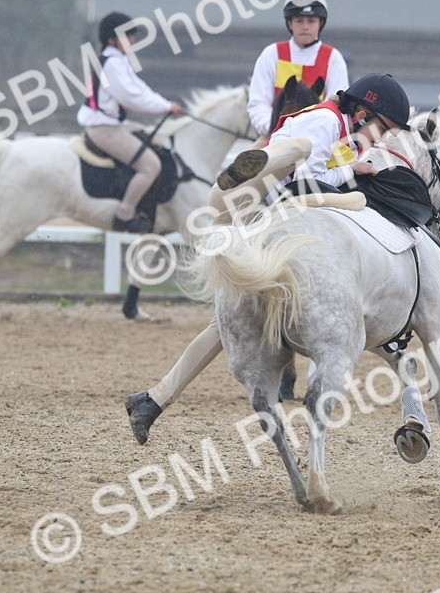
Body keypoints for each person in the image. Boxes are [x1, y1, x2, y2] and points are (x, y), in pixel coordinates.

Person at [125, 74, 412, 444]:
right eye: (382, 128)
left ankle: (152, 400)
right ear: (361, 113)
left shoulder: (338, 124)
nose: (381, 139)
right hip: (267, 215)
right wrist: (350, 173)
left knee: (222, 324)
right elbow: (306, 183)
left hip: (270, 212)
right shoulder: (325, 122)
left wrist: (350, 172)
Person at [79, 11, 183, 233]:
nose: (132, 40)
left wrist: (165, 103)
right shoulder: (113, 65)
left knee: (151, 136)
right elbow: (131, 97)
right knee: (150, 166)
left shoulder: (118, 60)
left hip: (111, 123)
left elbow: (140, 89)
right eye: (127, 36)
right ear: (111, 39)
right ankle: (124, 214)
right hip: (103, 127)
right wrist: (164, 107)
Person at [247, 0, 350, 137]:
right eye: (299, 21)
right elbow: (258, 103)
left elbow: (337, 107)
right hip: (274, 136)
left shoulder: (333, 58)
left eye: (311, 21)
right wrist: (275, 129)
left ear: (320, 23)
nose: (305, 27)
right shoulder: (271, 54)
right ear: (290, 23)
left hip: (318, 138)